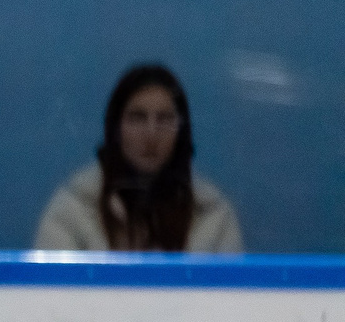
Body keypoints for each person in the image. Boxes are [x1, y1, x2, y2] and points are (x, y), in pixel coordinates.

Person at [34, 63, 241, 253]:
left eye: (165, 119)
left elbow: (234, 291)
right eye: (137, 118)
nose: (151, 134)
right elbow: (51, 292)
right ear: (115, 129)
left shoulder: (212, 215)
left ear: (181, 132)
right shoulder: (73, 210)